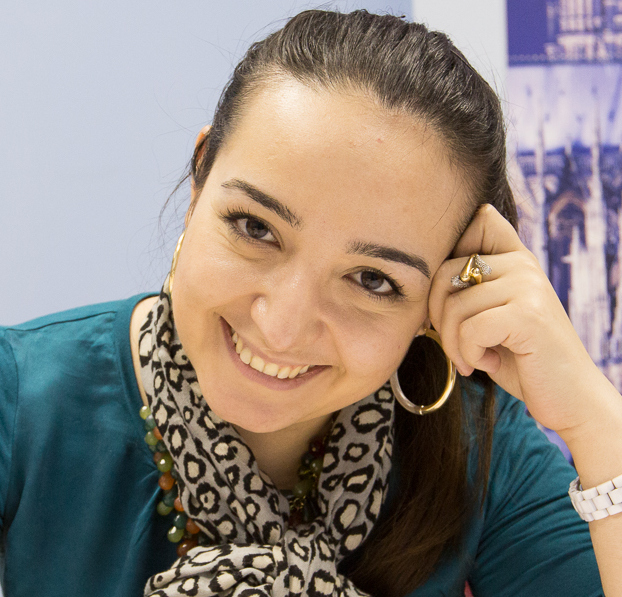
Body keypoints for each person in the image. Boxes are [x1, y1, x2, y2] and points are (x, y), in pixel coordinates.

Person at [0, 8, 619, 597]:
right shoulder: (24, 400)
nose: (282, 326)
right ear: (199, 182)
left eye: (372, 280)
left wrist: (595, 421)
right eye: (255, 228)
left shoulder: (479, 446)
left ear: (437, 299)